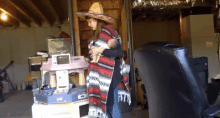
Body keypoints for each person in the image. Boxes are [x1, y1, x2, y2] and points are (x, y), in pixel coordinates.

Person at [75, 2, 131, 118]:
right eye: (88, 22)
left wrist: (100, 51)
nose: (89, 24)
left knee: (112, 106)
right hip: (99, 77)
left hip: (110, 76)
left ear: (97, 20)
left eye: (90, 21)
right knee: (105, 108)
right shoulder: (95, 36)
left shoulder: (109, 32)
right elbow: (97, 57)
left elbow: (120, 53)